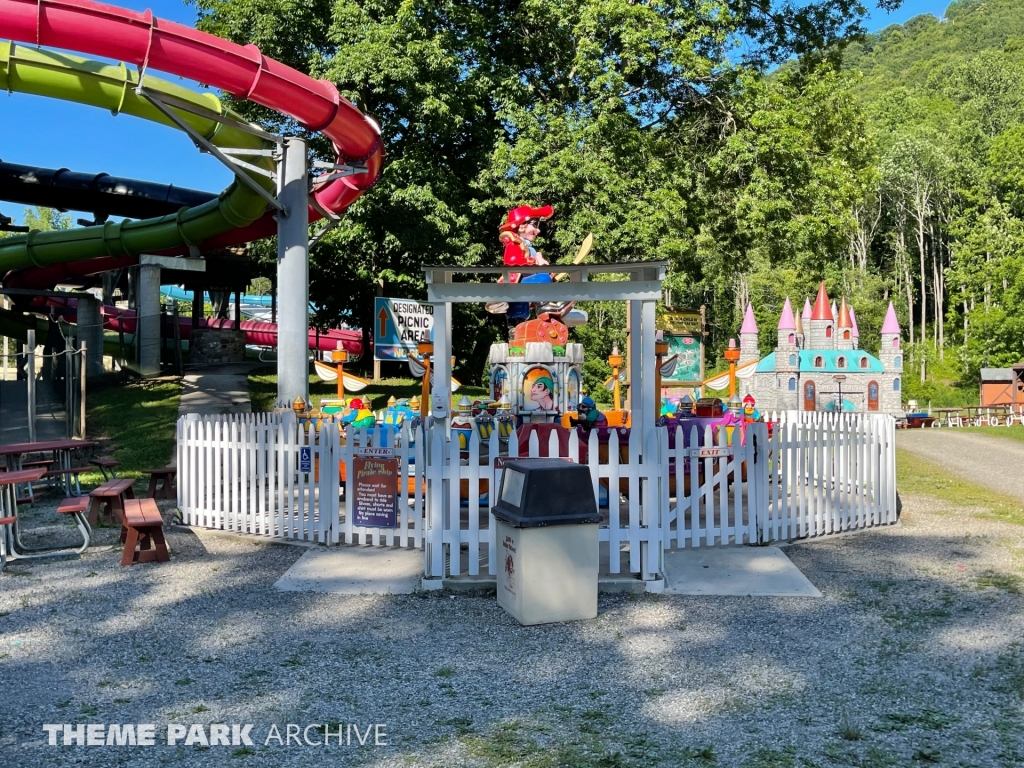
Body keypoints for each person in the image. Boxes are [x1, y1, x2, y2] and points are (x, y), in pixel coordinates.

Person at [487, 205, 555, 322]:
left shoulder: (527, 246)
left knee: (523, 309)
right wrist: (536, 263)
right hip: (517, 284)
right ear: (522, 226)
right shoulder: (514, 243)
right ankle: (544, 307)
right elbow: (512, 261)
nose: (538, 230)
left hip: (522, 285)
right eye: (535, 225)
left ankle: (517, 324)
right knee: (543, 279)